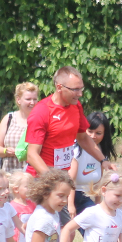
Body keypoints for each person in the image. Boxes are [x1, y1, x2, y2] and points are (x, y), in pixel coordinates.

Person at [24, 66, 113, 224]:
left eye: (81, 89)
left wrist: (102, 160)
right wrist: (53, 181)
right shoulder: (41, 112)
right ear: (59, 87)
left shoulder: (75, 106)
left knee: (66, 231)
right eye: (75, 89)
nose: (80, 94)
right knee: (42, 230)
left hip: (61, 181)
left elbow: (83, 138)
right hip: (41, 181)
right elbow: (32, 155)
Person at [67, 111, 114, 219]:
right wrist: (70, 205)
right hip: (67, 195)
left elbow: (98, 184)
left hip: (84, 197)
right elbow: (70, 180)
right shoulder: (75, 149)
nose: (93, 136)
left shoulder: (102, 154)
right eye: (90, 131)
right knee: (69, 233)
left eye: (98, 133)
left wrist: (98, 206)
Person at [0, 82, 40, 174]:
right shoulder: (9, 118)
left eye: (35, 99)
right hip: (9, 175)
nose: (32, 102)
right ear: (18, 100)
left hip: (31, 176)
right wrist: (6, 151)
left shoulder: (40, 120)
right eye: (28, 99)